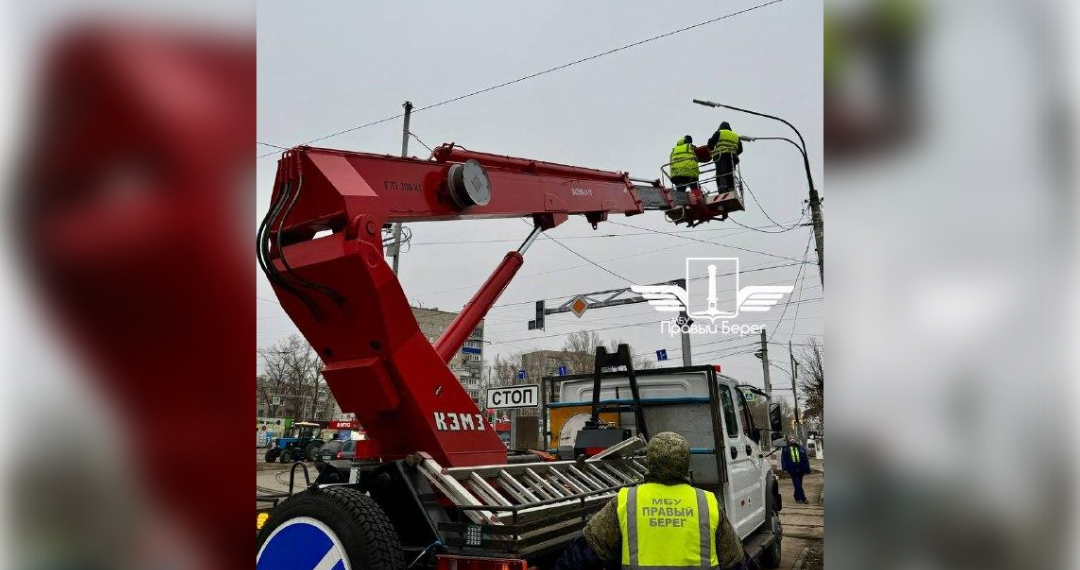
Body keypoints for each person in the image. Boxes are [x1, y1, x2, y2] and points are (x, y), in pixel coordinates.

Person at [553, 432, 747, 570]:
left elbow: (584, 554)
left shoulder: (626, 500)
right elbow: (735, 562)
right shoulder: (707, 503)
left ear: (649, 462)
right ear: (686, 462)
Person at [707, 122, 743, 192]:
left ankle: (722, 188)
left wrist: (711, 151)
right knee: (730, 173)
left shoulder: (719, 132)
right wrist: (734, 153)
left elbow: (711, 143)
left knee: (721, 172)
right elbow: (740, 149)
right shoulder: (736, 136)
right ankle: (731, 189)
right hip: (732, 157)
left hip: (721, 155)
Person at [780, 436, 811, 504]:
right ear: (789, 440)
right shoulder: (786, 448)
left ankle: (796, 497)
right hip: (792, 469)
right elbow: (784, 459)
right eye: (791, 439)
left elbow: (805, 459)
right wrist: (784, 468)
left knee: (799, 484)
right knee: (797, 484)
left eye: (793, 438)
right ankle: (803, 499)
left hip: (801, 469)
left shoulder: (801, 448)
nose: (792, 440)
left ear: (796, 440)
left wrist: (807, 469)